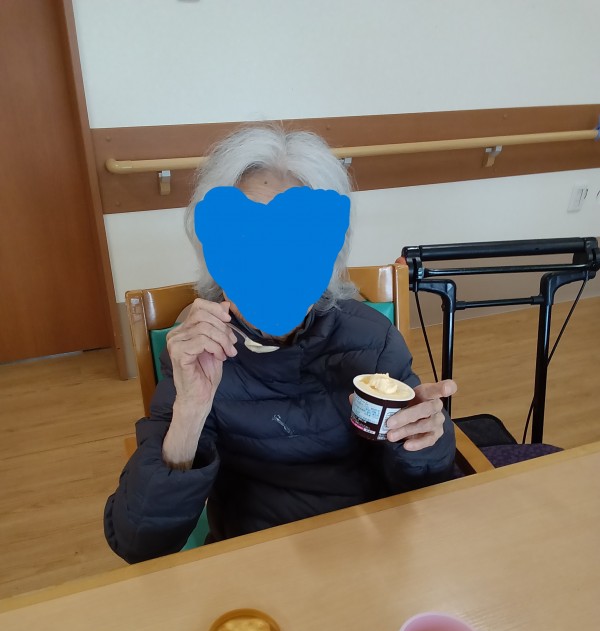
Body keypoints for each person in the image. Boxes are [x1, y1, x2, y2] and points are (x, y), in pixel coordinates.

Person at [104, 125, 457, 563]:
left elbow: (423, 489)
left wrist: (425, 440)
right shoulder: (199, 353)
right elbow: (139, 542)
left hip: (369, 549)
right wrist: (190, 412)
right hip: (259, 559)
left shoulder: (372, 336)